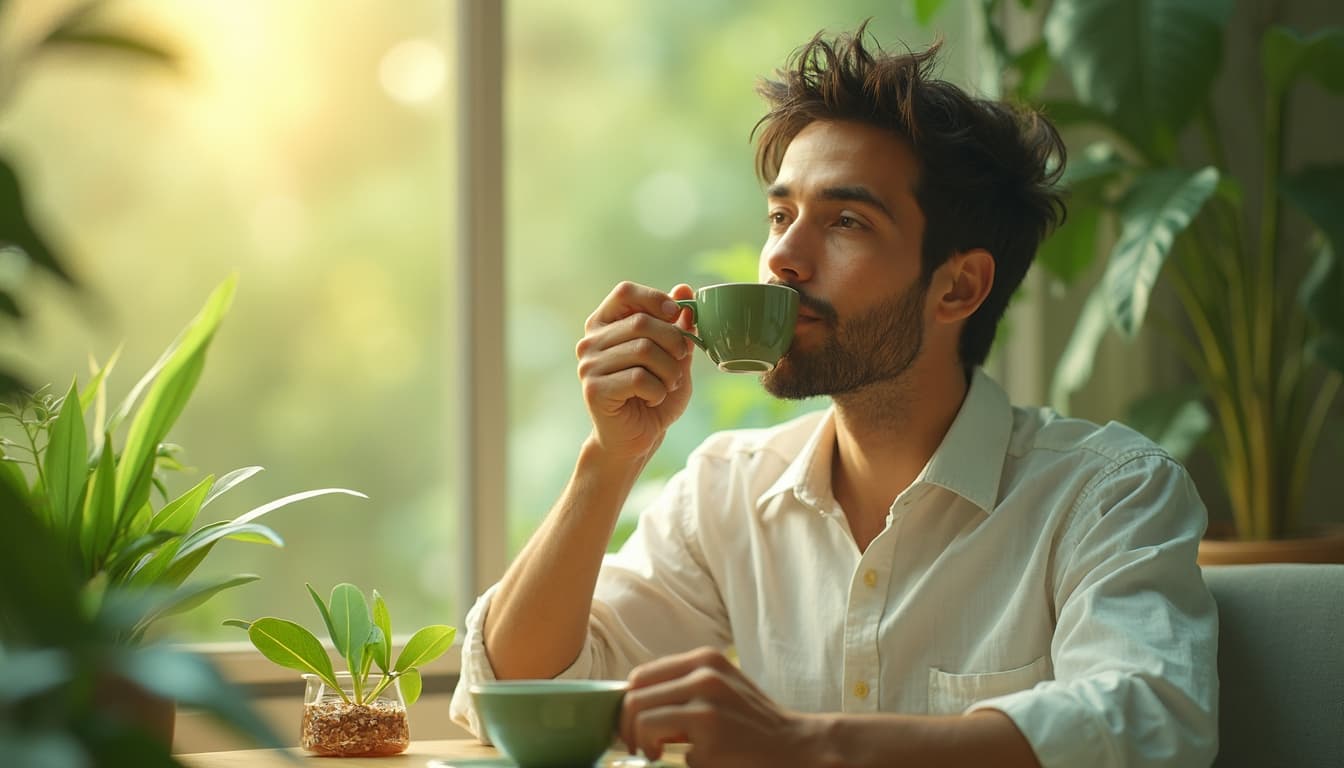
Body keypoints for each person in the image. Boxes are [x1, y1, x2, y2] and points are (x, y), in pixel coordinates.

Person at [449, 23, 1218, 768]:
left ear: (959, 286)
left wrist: (807, 745)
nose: (781, 255)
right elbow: (513, 692)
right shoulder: (727, 494)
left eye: (845, 220)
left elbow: (1150, 725)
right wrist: (611, 457)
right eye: (781, 216)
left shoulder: (1106, 493)